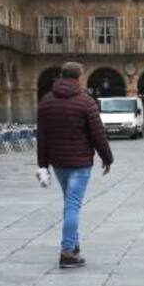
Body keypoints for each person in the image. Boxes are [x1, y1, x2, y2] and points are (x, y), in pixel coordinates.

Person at [36, 62, 114, 269]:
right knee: (73, 205)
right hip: (80, 164)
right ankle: (68, 252)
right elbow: (98, 134)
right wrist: (107, 158)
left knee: (69, 202)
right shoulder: (85, 102)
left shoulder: (46, 101)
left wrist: (42, 165)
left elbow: (42, 137)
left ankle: (74, 244)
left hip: (58, 163)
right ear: (79, 78)